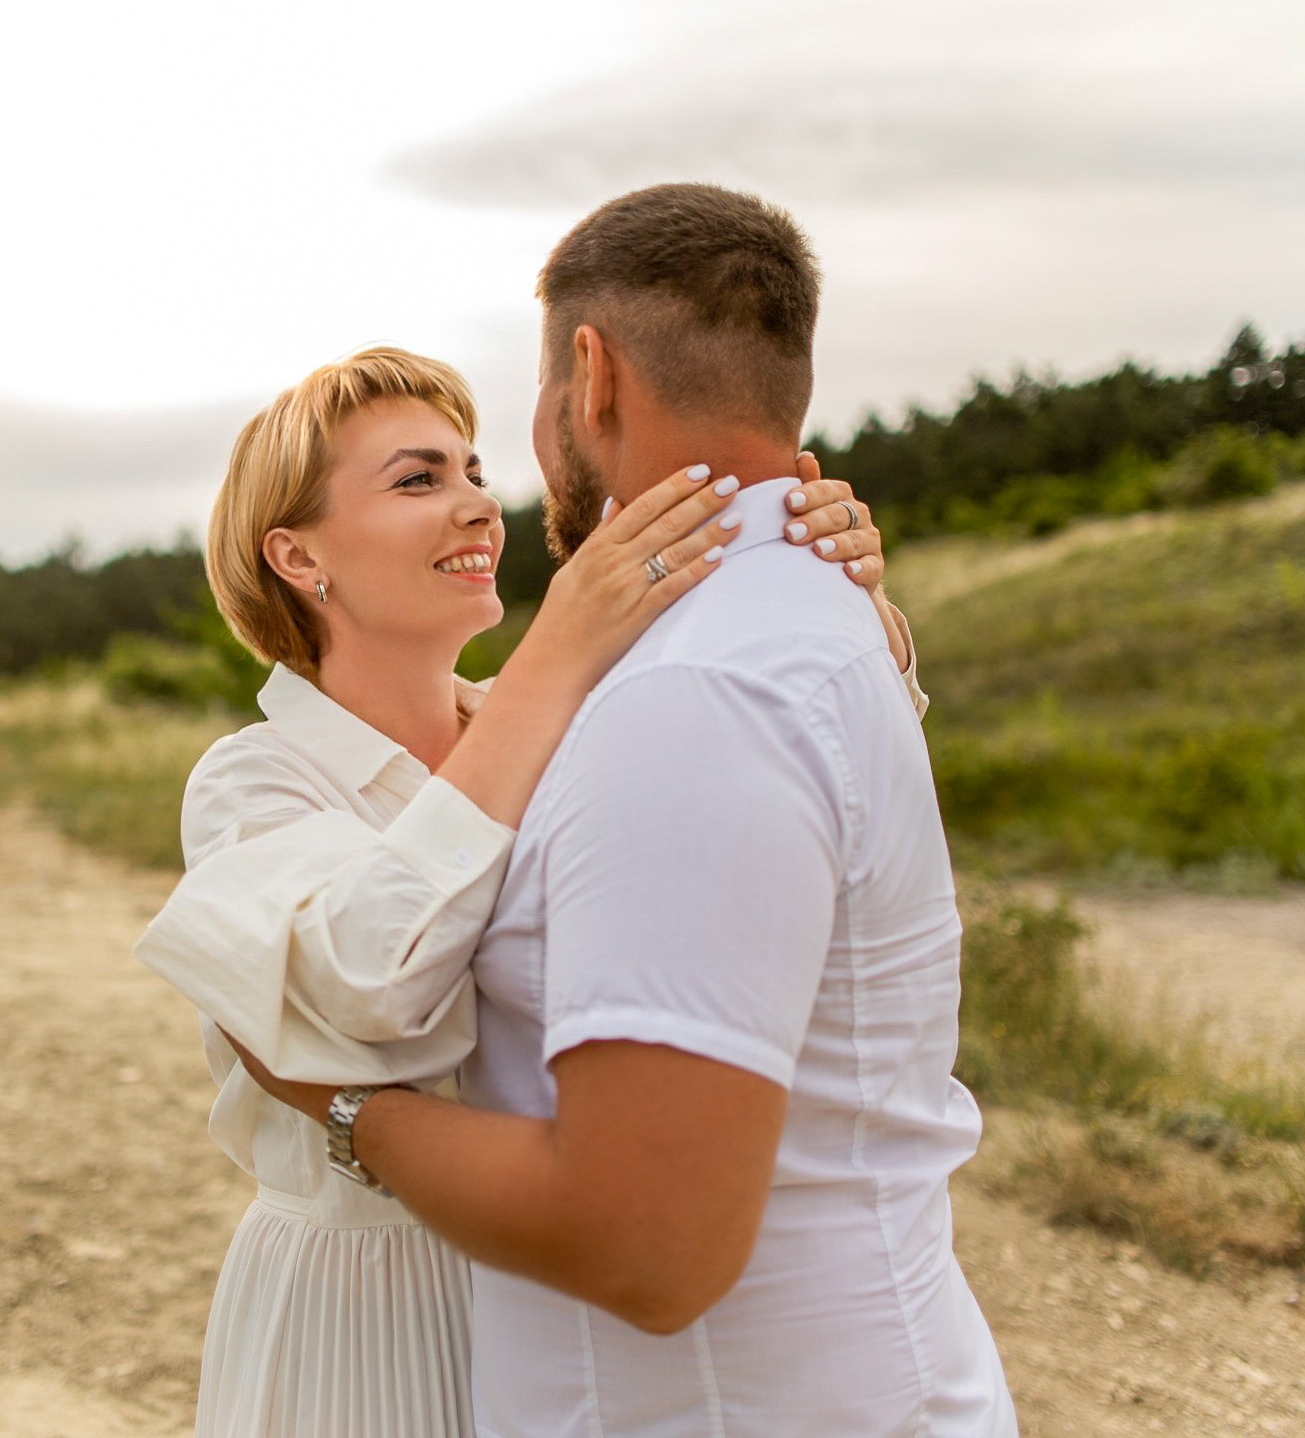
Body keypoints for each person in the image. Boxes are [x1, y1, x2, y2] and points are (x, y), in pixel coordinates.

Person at [213, 184, 1015, 1436]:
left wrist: (855, 613)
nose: (478, 502)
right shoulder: (258, 782)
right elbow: (356, 990)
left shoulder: (582, 711)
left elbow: (774, 781)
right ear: (298, 555)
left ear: (586, 381)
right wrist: (564, 646)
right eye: (418, 479)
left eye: (474, 467)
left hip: (528, 1283)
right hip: (364, 1312)